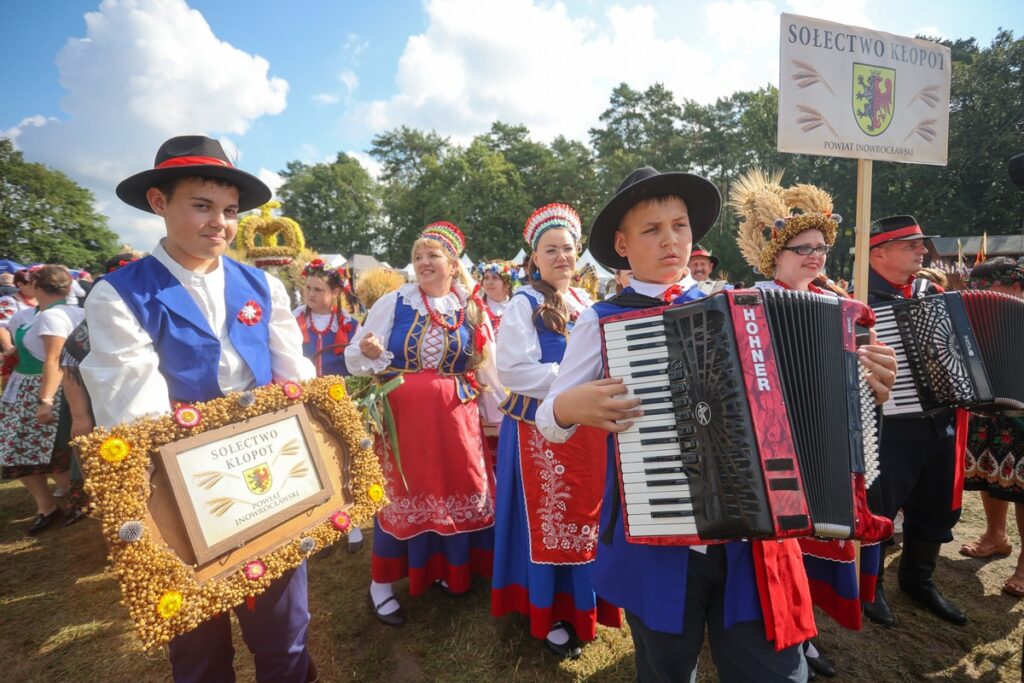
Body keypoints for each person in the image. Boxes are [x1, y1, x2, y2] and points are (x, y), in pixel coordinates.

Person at [537, 166, 815, 682]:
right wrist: (572, 407)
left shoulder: (742, 308)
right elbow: (547, 418)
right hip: (658, 539)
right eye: (652, 230)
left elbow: (799, 395)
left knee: (772, 672)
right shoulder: (601, 318)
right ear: (622, 244)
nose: (671, 240)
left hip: (749, 538)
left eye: (680, 226)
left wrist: (860, 385)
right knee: (666, 669)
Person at [79, 135, 318, 683]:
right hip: (178, 489)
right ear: (159, 203)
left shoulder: (263, 284)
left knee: (284, 634)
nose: (220, 224)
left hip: (270, 478)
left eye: (230, 211)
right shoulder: (119, 294)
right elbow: (138, 417)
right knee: (199, 648)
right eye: (202, 206)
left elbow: (294, 378)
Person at [733, 169, 898, 678]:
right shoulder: (745, 301)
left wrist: (874, 386)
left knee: (819, 537)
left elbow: (865, 387)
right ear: (774, 255)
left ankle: (805, 632)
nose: (814, 255)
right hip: (764, 443)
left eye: (820, 246)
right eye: (801, 247)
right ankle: (782, 634)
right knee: (775, 548)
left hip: (826, 442)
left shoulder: (845, 309)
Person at [345, 222, 503, 627]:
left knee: (459, 488)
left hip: (457, 419)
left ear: (452, 263)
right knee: (405, 495)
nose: (423, 263)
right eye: (418, 256)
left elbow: (490, 368)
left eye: (432, 255)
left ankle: (451, 571)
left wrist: (500, 414)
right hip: (406, 422)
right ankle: (381, 583)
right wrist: (369, 350)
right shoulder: (395, 303)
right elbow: (356, 355)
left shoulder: (471, 307)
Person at [490, 203, 620, 658]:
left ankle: (585, 600)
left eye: (568, 248)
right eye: (552, 250)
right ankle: (547, 609)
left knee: (585, 517)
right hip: (535, 432)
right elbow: (514, 370)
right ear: (535, 258)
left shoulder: (588, 303)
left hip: (584, 429)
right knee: (548, 520)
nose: (562, 256)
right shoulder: (522, 304)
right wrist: (575, 379)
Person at [860, 214, 967, 627]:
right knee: (880, 507)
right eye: (911, 245)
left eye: (921, 244)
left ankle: (918, 579)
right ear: (879, 253)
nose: (922, 251)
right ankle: (870, 585)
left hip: (940, 420)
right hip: (889, 426)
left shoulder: (933, 292)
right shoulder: (858, 297)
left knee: (937, 502)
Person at [958, 257, 1024, 598]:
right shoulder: (987, 312)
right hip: (990, 410)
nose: (982, 297)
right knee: (989, 472)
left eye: (990, 290)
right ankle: (995, 536)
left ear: (1015, 286)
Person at [0, 265, 81, 534]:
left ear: (34, 286)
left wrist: (45, 400)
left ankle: (69, 501)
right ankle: (48, 506)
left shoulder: (52, 317)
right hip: (25, 385)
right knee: (21, 451)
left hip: (41, 387)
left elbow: (53, 359)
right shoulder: (34, 315)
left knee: (44, 452)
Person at [293, 258, 363, 554]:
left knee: (346, 459)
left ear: (334, 292)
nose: (310, 294)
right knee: (311, 464)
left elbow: (360, 365)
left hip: (340, 403)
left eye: (318, 289)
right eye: (308, 288)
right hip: (304, 404)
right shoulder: (293, 319)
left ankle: (354, 523)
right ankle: (320, 523)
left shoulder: (350, 324)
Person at [472, 261, 516, 332]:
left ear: (506, 284)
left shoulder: (515, 307)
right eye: (486, 278)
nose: (489, 282)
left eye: (495, 278)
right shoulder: (476, 308)